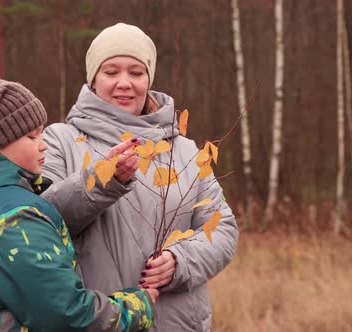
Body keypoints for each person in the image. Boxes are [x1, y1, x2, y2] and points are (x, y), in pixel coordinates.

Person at [41, 23, 239, 331]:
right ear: (93, 78)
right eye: (111, 72)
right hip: (97, 321)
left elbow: (222, 229)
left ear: (148, 78)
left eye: (136, 72)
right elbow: (42, 220)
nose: (124, 83)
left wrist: (180, 262)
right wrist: (103, 179)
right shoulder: (60, 140)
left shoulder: (185, 150)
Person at [0, 77, 157, 332]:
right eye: (31, 136)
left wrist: (104, 173)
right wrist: (137, 307)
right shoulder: (16, 216)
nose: (43, 144)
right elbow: (65, 314)